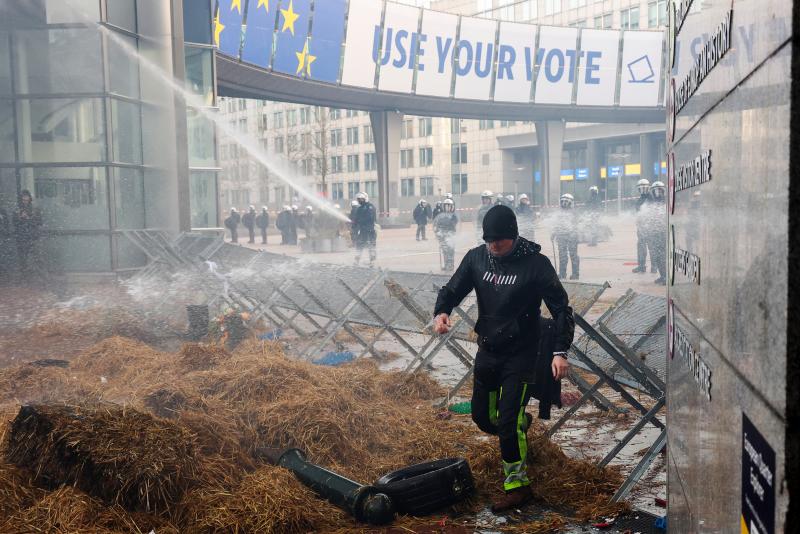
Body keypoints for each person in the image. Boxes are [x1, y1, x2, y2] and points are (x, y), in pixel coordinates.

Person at [432, 204, 574, 513]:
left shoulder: (535, 264)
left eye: (500, 240)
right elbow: (454, 288)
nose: (494, 246)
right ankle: (518, 426)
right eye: (489, 240)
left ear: (513, 236)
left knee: (506, 421)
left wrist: (560, 351)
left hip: (523, 355)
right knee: (483, 417)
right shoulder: (477, 258)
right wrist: (442, 311)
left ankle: (517, 485)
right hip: (488, 349)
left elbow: (561, 308)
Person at [12, 190, 42, 274]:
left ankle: (39, 276)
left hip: (33, 236)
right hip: (22, 237)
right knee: (23, 258)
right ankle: (24, 275)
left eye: (26, 197)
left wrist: (29, 218)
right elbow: (14, 223)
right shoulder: (17, 210)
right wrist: (20, 218)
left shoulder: (35, 209)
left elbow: (40, 222)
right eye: (23, 198)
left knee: (37, 257)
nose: (25, 199)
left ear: (29, 198)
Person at [551, 193, 580, 280]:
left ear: (570, 202)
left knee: (573, 255)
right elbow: (557, 224)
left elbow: (577, 225)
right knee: (562, 255)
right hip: (561, 236)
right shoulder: (559, 212)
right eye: (562, 201)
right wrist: (553, 234)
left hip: (572, 236)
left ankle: (575, 274)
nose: (564, 203)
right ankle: (562, 273)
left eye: (566, 202)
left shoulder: (574, 213)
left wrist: (575, 234)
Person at [645, 181, 667, 285]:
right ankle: (662, 275)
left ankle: (666, 276)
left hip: (663, 234)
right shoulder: (652, 204)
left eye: (660, 191)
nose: (658, 193)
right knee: (657, 255)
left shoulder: (666, 203)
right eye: (655, 191)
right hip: (655, 234)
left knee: (662, 255)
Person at [633, 179, 654, 273]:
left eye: (644, 187)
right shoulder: (641, 198)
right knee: (641, 246)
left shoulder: (651, 198)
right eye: (640, 188)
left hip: (650, 227)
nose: (642, 190)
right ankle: (641, 266)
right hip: (641, 227)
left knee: (652, 246)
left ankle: (654, 266)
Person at [353, 192, 377, 267]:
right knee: (359, 245)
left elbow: (370, 217)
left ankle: (372, 261)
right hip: (362, 231)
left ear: (365, 198)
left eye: (361, 199)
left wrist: (360, 221)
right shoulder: (359, 208)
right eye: (358, 199)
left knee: (371, 245)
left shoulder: (370, 207)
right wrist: (354, 224)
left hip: (370, 230)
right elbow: (357, 218)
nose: (360, 200)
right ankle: (357, 260)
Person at [433, 198, 458, 271]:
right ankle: (446, 264)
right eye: (446, 206)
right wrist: (438, 232)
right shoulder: (441, 216)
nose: (447, 207)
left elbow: (453, 224)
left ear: (451, 207)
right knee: (444, 251)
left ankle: (450, 265)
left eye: (449, 206)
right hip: (443, 235)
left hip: (450, 235)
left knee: (450, 251)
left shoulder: (453, 216)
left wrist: (446, 226)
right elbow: (437, 224)